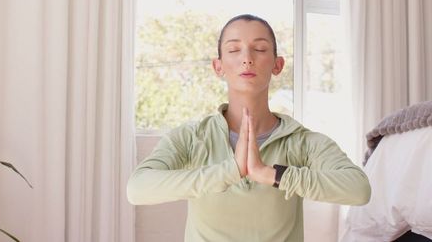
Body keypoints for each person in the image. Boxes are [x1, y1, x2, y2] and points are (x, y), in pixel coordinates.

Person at [127, 14, 371, 242]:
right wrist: (230, 171)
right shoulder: (192, 137)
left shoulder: (302, 142)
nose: (247, 58)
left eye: (260, 49)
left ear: (277, 65)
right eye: (234, 49)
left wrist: (270, 174)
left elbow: (358, 190)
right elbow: (138, 189)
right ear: (218, 66)